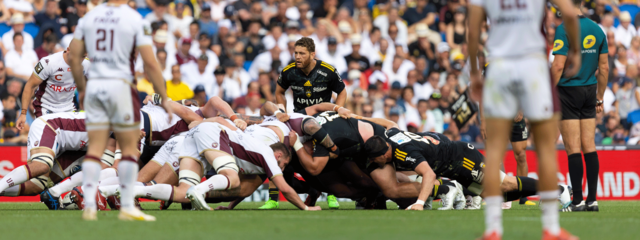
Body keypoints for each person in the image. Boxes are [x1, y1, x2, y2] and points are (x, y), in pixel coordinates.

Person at [468, 0, 582, 239]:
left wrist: (473, 72)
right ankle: (551, 228)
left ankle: (492, 229)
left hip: (499, 67)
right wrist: (574, 52)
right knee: (545, 152)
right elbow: (570, 13)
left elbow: (473, 29)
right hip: (533, 67)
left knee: (495, 152)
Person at [69, 1, 172, 221]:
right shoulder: (134, 18)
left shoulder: (89, 17)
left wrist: (82, 89)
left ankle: (89, 204)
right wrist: (163, 97)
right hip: (121, 86)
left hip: (96, 86)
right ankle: (126, 206)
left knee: (95, 149)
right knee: (128, 149)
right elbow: (150, 63)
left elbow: (75, 57)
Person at [551, 0, 609, 212]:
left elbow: (558, 65)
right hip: (589, 90)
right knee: (589, 145)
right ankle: (592, 200)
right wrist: (600, 97)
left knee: (573, 148)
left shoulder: (564, 27)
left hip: (567, 90)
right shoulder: (596, 29)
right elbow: (604, 68)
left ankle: (577, 201)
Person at [17, 47, 91, 132]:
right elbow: (30, 86)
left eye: (83, 56)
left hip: (68, 108)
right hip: (45, 107)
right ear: (68, 50)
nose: (79, 59)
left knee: (69, 143)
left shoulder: (86, 64)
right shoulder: (48, 62)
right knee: (46, 141)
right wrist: (23, 113)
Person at [275, 37, 347, 112]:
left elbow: (342, 92)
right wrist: (282, 112)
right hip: (300, 117)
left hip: (323, 117)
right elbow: (279, 92)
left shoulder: (328, 71)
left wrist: (337, 112)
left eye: (302, 53)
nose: (297, 57)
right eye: (296, 53)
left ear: (312, 55)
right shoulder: (288, 71)